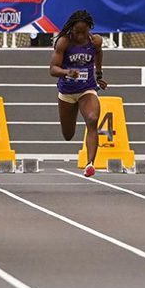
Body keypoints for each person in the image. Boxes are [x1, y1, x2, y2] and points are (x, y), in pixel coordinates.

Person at [50, 10, 107, 178]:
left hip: (86, 89)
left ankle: (90, 163)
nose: (81, 36)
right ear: (71, 30)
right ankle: (87, 158)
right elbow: (52, 69)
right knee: (68, 134)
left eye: (84, 32)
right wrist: (67, 72)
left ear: (89, 29)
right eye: (77, 32)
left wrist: (99, 74)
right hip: (67, 92)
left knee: (92, 119)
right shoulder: (64, 42)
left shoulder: (95, 41)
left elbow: (98, 53)